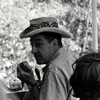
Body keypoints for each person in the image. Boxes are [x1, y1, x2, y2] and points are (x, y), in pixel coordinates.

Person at [17, 17, 76, 100]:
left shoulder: (54, 71)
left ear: (54, 44)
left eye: (38, 44)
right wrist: (32, 83)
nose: (33, 50)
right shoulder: (69, 57)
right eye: (32, 44)